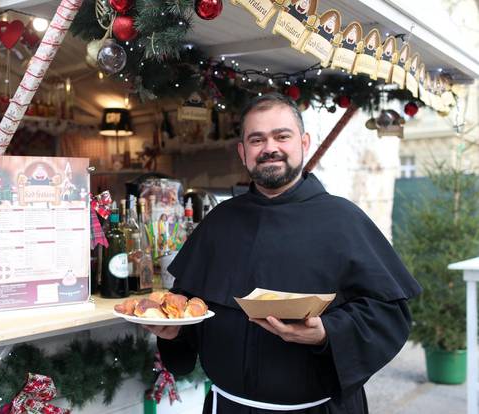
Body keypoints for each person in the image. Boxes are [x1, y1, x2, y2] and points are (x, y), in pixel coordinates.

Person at [144, 93, 421, 414]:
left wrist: (327, 334)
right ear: (243, 152)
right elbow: (190, 313)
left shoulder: (344, 220)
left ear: (304, 143)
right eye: (257, 139)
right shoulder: (218, 223)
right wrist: (174, 332)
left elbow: (390, 316)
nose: (269, 148)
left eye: (282, 136)